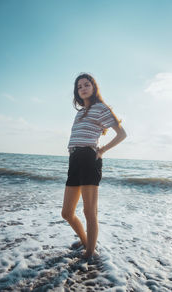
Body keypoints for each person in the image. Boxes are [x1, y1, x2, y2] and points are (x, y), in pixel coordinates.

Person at [61, 73, 127, 259]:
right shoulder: (80, 113)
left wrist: (102, 150)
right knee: (66, 213)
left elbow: (122, 134)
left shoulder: (101, 108)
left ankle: (90, 253)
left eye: (86, 84)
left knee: (89, 211)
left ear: (94, 87)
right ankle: (85, 242)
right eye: (79, 86)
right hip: (74, 160)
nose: (83, 88)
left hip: (90, 159)